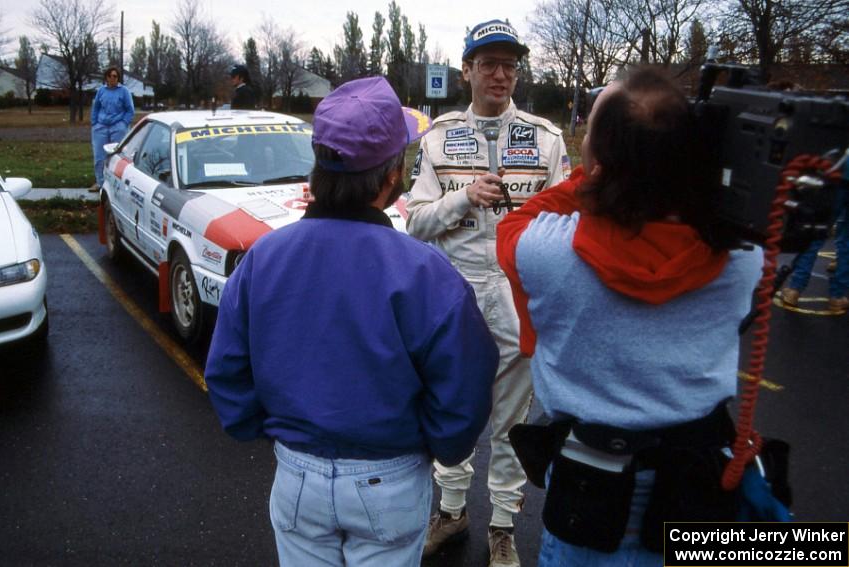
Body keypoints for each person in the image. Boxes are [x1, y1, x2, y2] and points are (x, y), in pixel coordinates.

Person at [204, 76, 498, 567]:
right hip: (391, 478)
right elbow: (464, 387)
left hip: (297, 476)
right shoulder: (426, 272)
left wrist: (264, 427)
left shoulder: (263, 258)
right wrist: (439, 445)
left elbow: (228, 370)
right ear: (392, 175)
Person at [497, 67, 763, 566]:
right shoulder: (742, 258)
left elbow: (514, 223)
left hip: (589, 484)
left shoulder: (549, 252)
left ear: (597, 158)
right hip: (696, 484)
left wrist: (595, 176)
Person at [406, 19, 569, 567]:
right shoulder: (436, 135)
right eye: (489, 64)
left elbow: (569, 225)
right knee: (453, 409)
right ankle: (451, 512)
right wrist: (463, 199)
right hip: (455, 295)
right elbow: (415, 225)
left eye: (510, 65)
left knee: (512, 420)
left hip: (519, 294)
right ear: (467, 71)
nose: (501, 75)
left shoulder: (546, 138)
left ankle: (503, 525)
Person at [780, 152, 848, 312]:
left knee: (817, 231)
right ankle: (837, 296)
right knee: (847, 240)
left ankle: (795, 288)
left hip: (840, 172)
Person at [90, 66, 134, 192]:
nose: (113, 78)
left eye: (115, 76)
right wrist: (94, 123)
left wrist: (123, 124)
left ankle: (116, 185)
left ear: (118, 78)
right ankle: (100, 183)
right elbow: (96, 107)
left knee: (117, 156)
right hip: (101, 127)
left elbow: (130, 110)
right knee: (99, 156)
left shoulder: (124, 91)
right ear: (106, 77)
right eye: (110, 76)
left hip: (118, 127)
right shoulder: (101, 91)